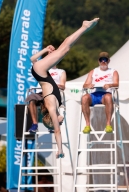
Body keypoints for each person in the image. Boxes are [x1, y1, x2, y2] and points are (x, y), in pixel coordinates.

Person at [28, 18, 99, 158]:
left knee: (65, 48)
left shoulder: (52, 109)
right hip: (39, 71)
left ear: (51, 120)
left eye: (57, 123)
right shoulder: (55, 107)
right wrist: (45, 50)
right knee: (65, 47)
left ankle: (84, 27)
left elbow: (57, 132)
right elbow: (32, 59)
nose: (60, 123)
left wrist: (59, 150)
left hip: (40, 72)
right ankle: (83, 27)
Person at [81, 51, 119, 134]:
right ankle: (87, 125)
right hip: (94, 94)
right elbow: (85, 85)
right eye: (101, 59)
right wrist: (89, 85)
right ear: (98, 61)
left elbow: (116, 84)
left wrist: (110, 85)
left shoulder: (113, 71)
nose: (103, 61)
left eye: (105, 59)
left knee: (109, 97)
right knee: (84, 98)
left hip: (106, 95)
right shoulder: (93, 71)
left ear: (108, 61)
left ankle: (108, 124)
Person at [25, 65, 66, 131]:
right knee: (31, 98)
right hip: (40, 93)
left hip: (52, 93)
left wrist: (52, 86)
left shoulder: (61, 71)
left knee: (51, 99)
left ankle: (52, 123)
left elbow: (63, 86)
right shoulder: (42, 70)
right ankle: (35, 124)